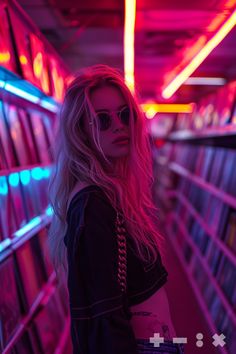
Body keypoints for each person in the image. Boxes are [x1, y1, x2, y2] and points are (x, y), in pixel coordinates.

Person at [48, 64, 184, 354]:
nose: (119, 126)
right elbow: (104, 318)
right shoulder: (93, 204)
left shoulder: (112, 191)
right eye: (103, 120)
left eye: (124, 115)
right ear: (80, 129)